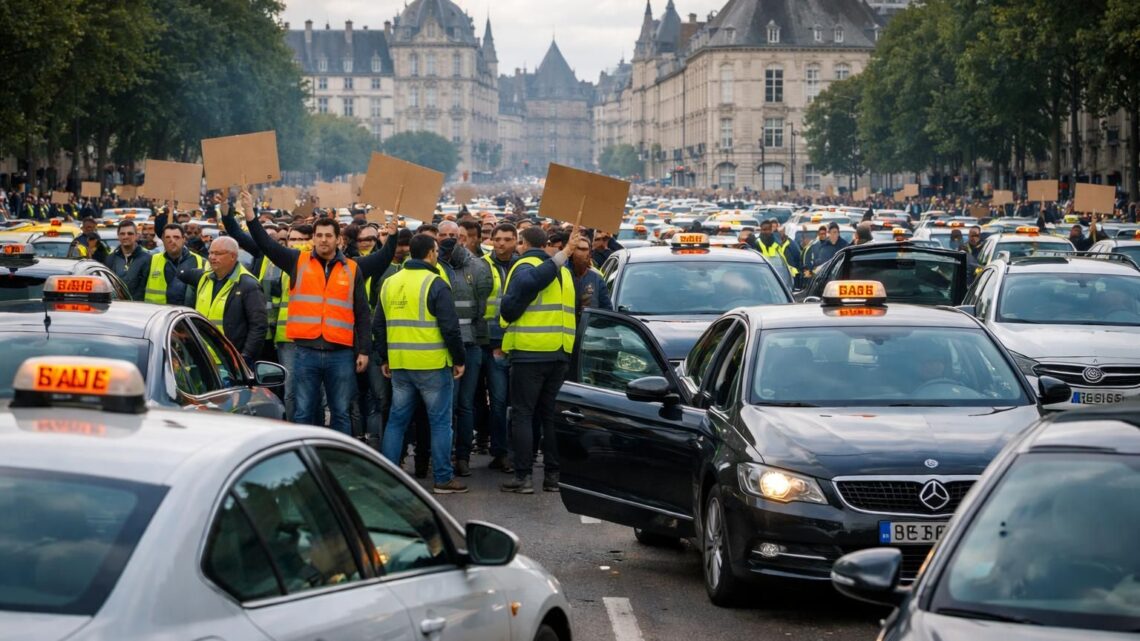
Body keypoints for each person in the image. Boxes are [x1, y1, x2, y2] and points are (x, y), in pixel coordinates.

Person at [240, 190, 371, 434]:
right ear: (313, 239)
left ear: (337, 239)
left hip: (341, 353)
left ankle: (337, 462)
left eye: (328, 236)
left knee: (341, 412)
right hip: (305, 352)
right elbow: (265, 244)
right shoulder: (296, 262)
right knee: (303, 410)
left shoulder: (352, 269)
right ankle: (303, 462)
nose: (323, 240)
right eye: (319, 235)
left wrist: (363, 350)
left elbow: (362, 313)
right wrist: (250, 214)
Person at [375, 234, 469, 494]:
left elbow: (378, 325)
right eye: (436, 250)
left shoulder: (390, 282)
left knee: (396, 421)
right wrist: (459, 359)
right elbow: (450, 328)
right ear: (430, 253)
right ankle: (442, 479)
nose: (437, 254)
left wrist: (385, 356)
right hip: (432, 364)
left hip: (401, 364)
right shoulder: (436, 283)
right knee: (440, 423)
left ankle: (389, 475)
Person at [499, 225, 579, 494]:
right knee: (550, 416)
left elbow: (523, 288)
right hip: (559, 352)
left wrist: (564, 253)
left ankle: (523, 477)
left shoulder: (526, 265)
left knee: (522, 414)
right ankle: (553, 476)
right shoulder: (566, 274)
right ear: (546, 243)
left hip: (530, 352)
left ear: (522, 243)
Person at [438, 220, 492, 477]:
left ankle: (462, 457)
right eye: (444, 235)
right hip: (442, 345)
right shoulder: (434, 265)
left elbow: (482, 301)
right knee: (447, 406)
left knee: (464, 405)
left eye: (455, 236)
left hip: (469, 344)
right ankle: (446, 455)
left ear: (464, 238)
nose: (449, 240)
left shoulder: (476, 266)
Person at [175, 236, 267, 365]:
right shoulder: (205, 278)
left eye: (218, 253)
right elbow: (181, 273)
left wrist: (244, 357)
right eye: (211, 252)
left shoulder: (248, 284)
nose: (212, 257)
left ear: (233, 256)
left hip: (230, 363)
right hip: (202, 358)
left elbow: (258, 326)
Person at [483, 222, 518, 473]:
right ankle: (499, 451)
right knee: (496, 401)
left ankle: (513, 451)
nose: (502, 243)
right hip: (488, 341)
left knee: (513, 403)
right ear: (492, 241)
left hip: (516, 343)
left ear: (516, 240)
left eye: (507, 239)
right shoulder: (482, 265)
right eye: (498, 239)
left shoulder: (523, 266)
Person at [137, 223, 205, 305]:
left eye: (176, 237)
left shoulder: (200, 261)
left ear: (183, 239)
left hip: (188, 315)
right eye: (167, 237)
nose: (172, 240)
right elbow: (139, 292)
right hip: (157, 314)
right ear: (162, 239)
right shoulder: (151, 260)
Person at [102, 220, 148, 299]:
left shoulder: (147, 259)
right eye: (122, 234)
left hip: (139, 307)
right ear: (118, 236)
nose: (126, 236)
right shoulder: (110, 259)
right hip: (117, 307)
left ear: (136, 236)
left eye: (130, 233)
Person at [571, 234, 612, 314]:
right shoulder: (562, 275)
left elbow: (607, 310)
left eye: (585, 249)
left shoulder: (596, 278)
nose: (583, 253)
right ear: (572, 252)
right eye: (580, 249)